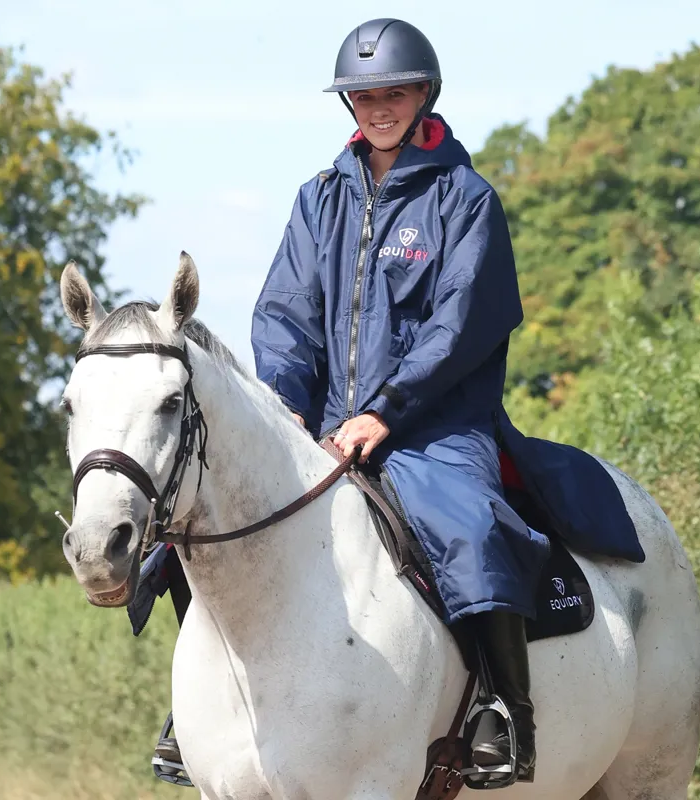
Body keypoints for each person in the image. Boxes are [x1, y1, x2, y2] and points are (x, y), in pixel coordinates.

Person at [248, 18, 552, 783]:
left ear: (425, 95)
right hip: (324, 429)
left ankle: (506, 712)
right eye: (364, 94)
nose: (378, 107)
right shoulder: (318, 200)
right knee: (195, 524)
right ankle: (202, 713)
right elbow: (285, 311)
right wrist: (286, 403)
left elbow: (462, 325)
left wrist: (384, 409)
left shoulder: (466, 199)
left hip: (432, 428)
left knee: (470, 525)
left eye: (394, 92)